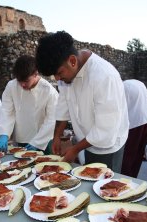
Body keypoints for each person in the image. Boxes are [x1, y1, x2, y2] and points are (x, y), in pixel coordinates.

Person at [35, 31, 129, 173]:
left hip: (108, 146)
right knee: (88, 180)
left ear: (72, 61)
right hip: (86, 142)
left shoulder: (104, 76)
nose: (57, 79)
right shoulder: (67, 73)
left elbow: (105, 129)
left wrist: (75, 149)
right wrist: (56, 137)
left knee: (105, 189)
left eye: (59, 73)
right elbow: (63, 106)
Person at [0, 55, 58, 153]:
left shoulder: (49, 91)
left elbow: (51, 120)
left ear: (35, 74)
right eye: (19, 81)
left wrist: (37, 142)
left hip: (43, 141)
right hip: (21, 138)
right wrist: (4, 133)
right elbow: (6, 110)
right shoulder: (11, 86)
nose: (22, 85)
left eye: (26, 81)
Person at [121, 79, 147, 177]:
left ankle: (126, 178)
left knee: (128, 155)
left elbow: (120, 107)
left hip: (133, 123)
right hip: (146, 118)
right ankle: (132, 177)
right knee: (137, 154)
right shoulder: (137, 83)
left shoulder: (124, 86)